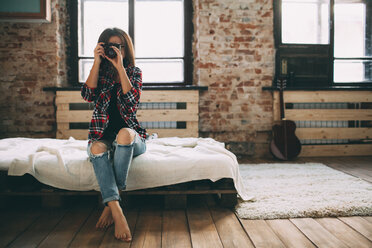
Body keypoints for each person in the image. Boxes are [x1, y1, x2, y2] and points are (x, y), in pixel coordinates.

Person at [81, 27, 148, 242]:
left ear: (125, 49)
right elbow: (88, 95)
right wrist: (96, 62)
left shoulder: (134, 72)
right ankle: (116, 208)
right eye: (110, 46)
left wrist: (120, 68)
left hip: (130, 137)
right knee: (96, 148)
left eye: (118, 46)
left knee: (124, 134)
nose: (114, 50)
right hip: (103, 136)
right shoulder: (99, 73)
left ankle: (111, 208)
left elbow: (131, 103)